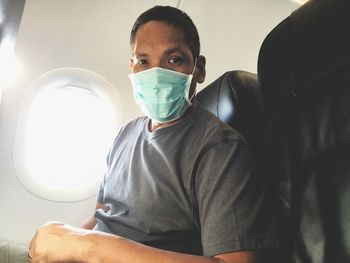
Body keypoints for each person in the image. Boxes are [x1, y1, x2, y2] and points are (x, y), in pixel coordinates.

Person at [28, 5, 280, 263]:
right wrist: (62, 243)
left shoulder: (219, 148)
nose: (156, 75)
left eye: (173, 60)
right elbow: (103, 214)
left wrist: (91, 248)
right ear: (132, 67)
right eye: (143, 61)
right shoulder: (124, 134)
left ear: (199, 69)